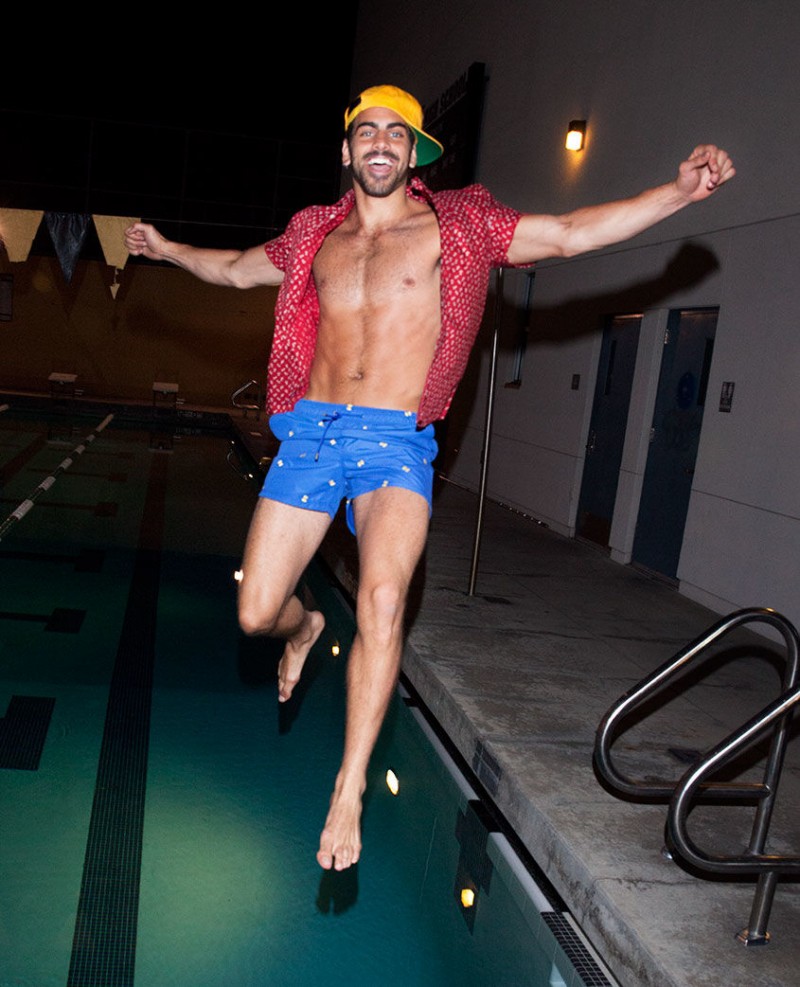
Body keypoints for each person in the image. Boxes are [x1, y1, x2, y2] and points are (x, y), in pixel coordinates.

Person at [124, 84, 735, 872]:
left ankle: (347, 789)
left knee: (383, 599)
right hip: (311, 433)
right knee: (254, 612)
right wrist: (169, 249)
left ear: (414, 153)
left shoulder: (460, 226)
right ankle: (306, 628)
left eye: (396, 133)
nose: (380, 143)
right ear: (346, 151)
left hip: (395, 444)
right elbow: (241, 270)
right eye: (366, 131)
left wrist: (678, 193)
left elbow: (570, 233)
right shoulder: (315, 233)